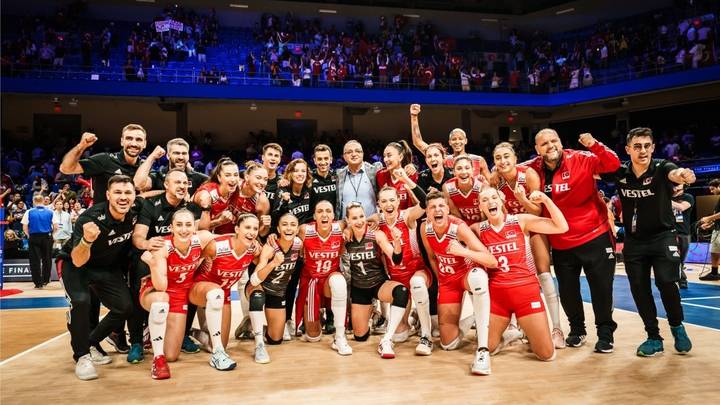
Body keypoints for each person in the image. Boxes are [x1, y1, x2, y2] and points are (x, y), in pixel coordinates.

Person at [526, 129, 620, 352]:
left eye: (554, 141)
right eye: (544, 144)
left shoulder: (582, 158)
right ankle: (577, 330)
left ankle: (605, 334)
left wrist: (594, 143)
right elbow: (506, 169)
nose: (550, 146)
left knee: (601, 289)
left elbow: (613, 165)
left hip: (594, 235)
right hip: (561, 243)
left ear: (560, 142)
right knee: (568, 292)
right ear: (537, 150)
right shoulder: (532, 169)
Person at [610, 127, 695, 357]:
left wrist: (684, 174)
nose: (643, 150)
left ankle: (677, 327)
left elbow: (675, 174)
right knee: (639, 288)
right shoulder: (620, 173)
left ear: (653, 147)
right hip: (634, 241)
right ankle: (653, 336)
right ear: (628, 149)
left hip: (663, 237)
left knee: (667, 283)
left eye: (647, 146)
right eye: (637, 146)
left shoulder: (662, 167)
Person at [472, 187, 568, 361]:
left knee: (547, 355)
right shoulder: (477, 229)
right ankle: (510, 335)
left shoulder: (520, 221)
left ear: (501, 201)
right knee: (489, 348)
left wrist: (546, 200)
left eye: (494, 197)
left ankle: (528, 328)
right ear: (480, 206)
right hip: (498, 296)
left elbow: (562, 227)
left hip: (525, 293)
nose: (490, 202)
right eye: (485, 200)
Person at [58, 175, 140, 380]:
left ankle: (91, 342)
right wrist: (87, 240)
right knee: (81, 301)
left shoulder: (136, 211)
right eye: (118, 193)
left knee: (125, 307)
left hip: (105, 267)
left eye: (128, 192)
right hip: (75, 264)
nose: (123, 197)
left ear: (135, 195)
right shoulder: (90, 218)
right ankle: (82, 356)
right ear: (108, 195)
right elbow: (77, 260)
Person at [487, 142, 565, 348]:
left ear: (514, 158)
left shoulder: (528, 175)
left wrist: (521, 197)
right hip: (510, 231)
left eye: (506, 156)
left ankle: (556, 328)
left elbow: (537, 212)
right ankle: (513, 326)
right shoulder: (495, 180)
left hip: (531, 225)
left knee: (544, 273)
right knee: (508, 274)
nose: (503, 161)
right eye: (498, 158)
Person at [127, 169, 206, 363]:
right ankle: (137, 341)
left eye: (185, 183)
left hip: (179, 261)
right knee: (138, 297)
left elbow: (201, 235)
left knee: (189, 290)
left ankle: (183, 334)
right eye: (177, 182)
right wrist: (146, 244)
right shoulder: (151, 205)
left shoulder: (192, 208)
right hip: (152, 260)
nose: (181, 186)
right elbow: (137, 236)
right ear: (166, 185)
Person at [139, 210, 225, 379]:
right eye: (179, 225)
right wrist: (152, 265)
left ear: (195, 227)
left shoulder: (203, 238)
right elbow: (161, 286)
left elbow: (227, 240)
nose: (184, 229)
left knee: (172, 355)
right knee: (161, 302)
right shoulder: (163, 247)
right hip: (157, 290)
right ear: (171, 228)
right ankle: (157, 360)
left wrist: (253, 242)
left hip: (182, 293)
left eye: (188, 225)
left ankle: (217, 350)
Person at [420, 191, 498, 375]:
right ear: (427, 212)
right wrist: (441, 282)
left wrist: (463, 252)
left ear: (448, 209)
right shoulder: (425, 229)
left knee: (479, 277)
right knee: (448, 344)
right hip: (448, 281)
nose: (437, 210)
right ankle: (472, 319)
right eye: (432, 207)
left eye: (441, 206)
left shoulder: (459, 228)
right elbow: (432, 258)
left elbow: (491, 260)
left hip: (467, 276)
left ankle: (483, 350)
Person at [375, 178, 435, 355]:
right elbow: (395, 258)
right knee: (400, 335)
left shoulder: (407, 215)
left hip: (418, 271)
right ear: (379, 204)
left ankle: (426, 336)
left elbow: (425, 203)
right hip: (398, 278)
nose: (389, 204)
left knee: (417, 283)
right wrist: (395, 241)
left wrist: (406, 180)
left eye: (392, 200)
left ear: (398, 201)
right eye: (384, 201)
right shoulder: (378, 226)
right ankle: (411, 318)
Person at [344, 202, 410, 359]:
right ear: (348, 220)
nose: (359, 221)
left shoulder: (376, 235)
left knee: (401, 291)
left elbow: (396, 259)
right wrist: (345, 230)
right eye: (354, 218)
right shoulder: (345, 238)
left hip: (378, 284)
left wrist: (396, 242)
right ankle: (374, 314)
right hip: (359, 288)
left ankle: (386, 339)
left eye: (361, 216)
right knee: (360, 336)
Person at [193, 214, 262, 362]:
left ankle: (193, 332)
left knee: (218, 346)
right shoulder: (217, 246)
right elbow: (195, 262)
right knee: (215, 294)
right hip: (200, 289)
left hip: (224, 293)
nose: (251, 232)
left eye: (255, 228)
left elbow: (262, 259)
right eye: (247, 227)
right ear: (237, 229)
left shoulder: (253, 250)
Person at [295, 200, 352, 355]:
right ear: (314, 216)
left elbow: (354, 220)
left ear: (334, 215)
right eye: (320, 211)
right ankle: (317, 315)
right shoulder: (304, 230)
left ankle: (340, 337)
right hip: (310, 282)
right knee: (313, 337)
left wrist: (349, 229)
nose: (324, 214)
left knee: (339, 282)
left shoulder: (340, 228)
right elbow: (285, 235)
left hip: (329, 281)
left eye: (328, 211)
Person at [245, 213, 302, 354]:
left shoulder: (298, 244)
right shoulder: (270, 248)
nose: (289, 228)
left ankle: (250, 326)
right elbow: (254, 279)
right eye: (284, 224)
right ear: (277, 228)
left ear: (297, 229)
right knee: (257, 297)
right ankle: (259, 345)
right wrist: (273, 264)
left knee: (275, 339)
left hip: (277, 291)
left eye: (293, 225)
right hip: (259, 287)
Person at [410, 104, 489, 177]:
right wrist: (414, 116)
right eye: (454, 139)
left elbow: (491, 183)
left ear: (466, 141)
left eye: (460, 139)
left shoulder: (478, 160)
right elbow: (418, 142)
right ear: (449, 142)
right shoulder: (444, 160)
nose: (457, 142)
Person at [134, 138, 208, 196]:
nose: (181, 157)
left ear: (188, 156)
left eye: (184, 153)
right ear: (168, 156)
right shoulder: (158, 176)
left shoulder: (199, 178)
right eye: (176, 153)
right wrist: (152, 157)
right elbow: (138, 185)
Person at [336, 140, 383, 219]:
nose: (354, 154)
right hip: (347, 226)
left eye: (358, 151)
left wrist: (409, 166)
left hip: (371, 225)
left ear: (362, 154)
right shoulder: (338, 175)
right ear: (344, 156)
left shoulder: (374, 170)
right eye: (349, 152)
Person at [22, 193, 54, 288]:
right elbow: (56, 226)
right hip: (47, 237)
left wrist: (29, 235)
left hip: (34, 237)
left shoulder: (29, 212)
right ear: (43, 201)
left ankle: (38, 283)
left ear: (34, 202)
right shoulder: (50, 211)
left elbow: (24, 227)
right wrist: (52, 235)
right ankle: (45, 280)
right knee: (47, 259)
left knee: (35, 260)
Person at [376, 140, 418, 211]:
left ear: (400, 157)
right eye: (384, 156)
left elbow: (416, 205)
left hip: (407, 218)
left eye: (389, 155)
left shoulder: (411, 175)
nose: (385, 159)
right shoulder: (380, 175)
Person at [442, 156, 485, 225]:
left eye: (467, 168)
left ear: (473, 170)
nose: (463, 172)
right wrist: (465, 229)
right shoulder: (447, 187)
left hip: (482, 224)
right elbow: (455, 213)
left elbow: (486, 214)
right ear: (454, 172)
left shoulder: (482, 185)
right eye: (459, 168)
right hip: (463, 225)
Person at [671, 183, 694, 289]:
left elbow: (681, 207)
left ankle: (680, 277)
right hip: (669, 232)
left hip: (683, 232)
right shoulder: (668, 196)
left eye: (678, 185)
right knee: (673, 258)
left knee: (681, 259)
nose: (675, 187)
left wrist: (663, 199)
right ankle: (681, 279)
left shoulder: (687, 197)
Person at [699, 178, 720, 281]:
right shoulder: (718, 199)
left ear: (718, 186)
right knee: (714, 252)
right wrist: (710, 224)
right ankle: (714, 273)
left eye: (713, 189)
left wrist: (708, 218)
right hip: (717, 229)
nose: (711, 192)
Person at [310, 144, 337, 213]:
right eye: (319, 159)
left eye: (326, 158)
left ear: (331, 160)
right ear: (314, 160)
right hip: (314, 220)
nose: (323, 162)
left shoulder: (338, 175)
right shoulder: (308, 177)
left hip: (334, 219)